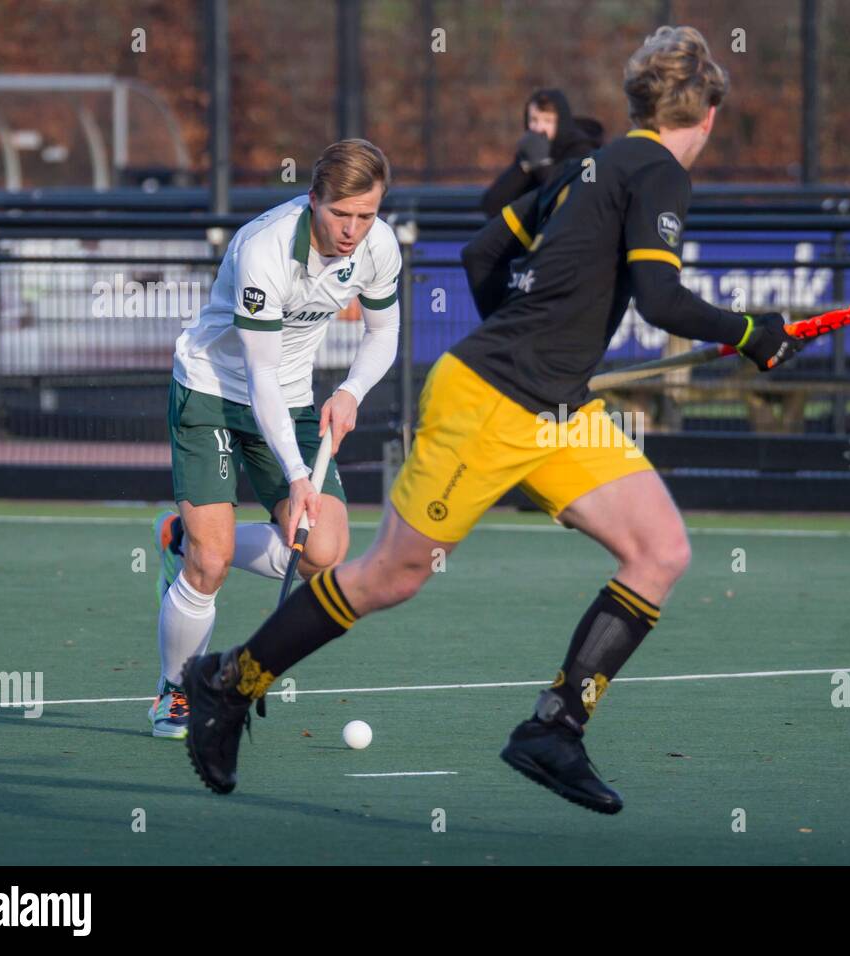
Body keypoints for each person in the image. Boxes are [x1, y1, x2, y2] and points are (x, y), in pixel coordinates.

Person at [182, 26, 803, 813]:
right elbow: (658, 297)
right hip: (491, 400)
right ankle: (228, 682)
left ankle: (555, 728)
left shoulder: (590, 162)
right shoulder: (658, 173)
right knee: (387, 576)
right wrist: (754, 335)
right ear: (707, 113)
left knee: (659, 550)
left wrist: (538, 339)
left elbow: (483, 254)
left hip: (556, 406)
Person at [148, 139, 401, 739]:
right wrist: (294, 472)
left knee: (322, 553)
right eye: (342, 214)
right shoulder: (264, 250)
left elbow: (384, 330)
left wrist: (353, 391)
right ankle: (176, 691)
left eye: (366, 216)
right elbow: (258, 374)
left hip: (292, 399)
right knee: (208, 568)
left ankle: (180, 536)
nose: (353, 230)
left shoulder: (378, 245)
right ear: (314, 199)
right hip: (213, 390)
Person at [481, 88, 602, 219]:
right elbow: (492, 204)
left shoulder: (584, 152)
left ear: (561, 122)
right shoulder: (532, 149)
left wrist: (542, 164)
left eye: (548, 121)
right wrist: (524, 166)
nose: (539, 128)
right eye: (533, 120)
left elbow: (577, 204)